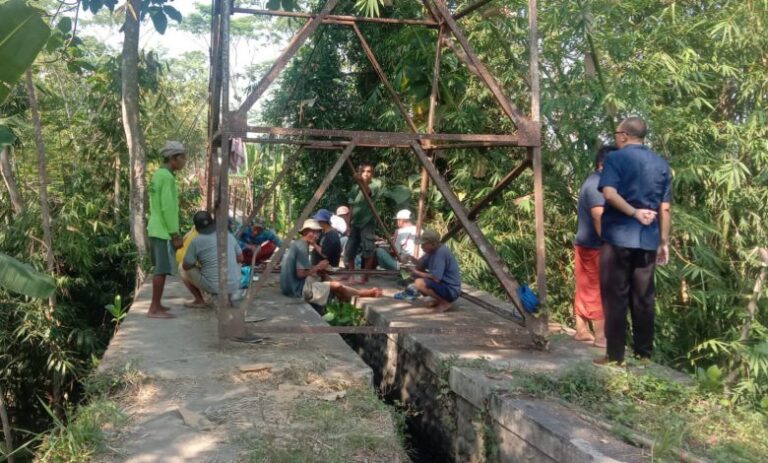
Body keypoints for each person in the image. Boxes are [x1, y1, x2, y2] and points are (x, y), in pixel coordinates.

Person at [596, 116, 672, 365]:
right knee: (644, 297)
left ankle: (615, 356)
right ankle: (644, 355)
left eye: (617, 133)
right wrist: (664, 241)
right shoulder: (661, 164)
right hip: (648, 240)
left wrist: (633, 212)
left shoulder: (615, 159)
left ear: (624, 136)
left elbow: (609, 193)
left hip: (618, 237)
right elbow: (666, 208)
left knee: (615, 296)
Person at [573, 145, 618, 347]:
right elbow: (599, 216)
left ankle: (581, 330)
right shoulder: (598, 184)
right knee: (598, 289)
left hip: (586, 243)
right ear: (604, 165)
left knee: (585, 286)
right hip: (595, 245)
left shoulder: (594, 181)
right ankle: (600, 337)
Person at [281, 219, 383, 306]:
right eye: (314, 232)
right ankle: (364, 293)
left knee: (323, 276)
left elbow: (303, 270)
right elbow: (300, 274)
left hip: (289, 287)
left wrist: (318, 269)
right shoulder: (302, 246)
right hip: (297, 290)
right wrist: (318, 266)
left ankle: (344, 295)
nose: (317, 235)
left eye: (318, 232)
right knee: (336, 286)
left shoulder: (299, 244)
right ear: (306, 232)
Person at [146, 141, 187, 319]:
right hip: (162, 230)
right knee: (161, 270)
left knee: (160, 269)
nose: (184, 161)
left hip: (154, 227)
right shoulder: (167, 177)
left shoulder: (158, 175)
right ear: (173, 158)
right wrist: (175, 234)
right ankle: (153, 309)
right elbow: (168, 208)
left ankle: (158, 304)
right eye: (182, 157)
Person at [179, 211, 243, 308]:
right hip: (234, 285)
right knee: (235, 264)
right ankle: (228, 298)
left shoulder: (196, 241)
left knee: (181, 268)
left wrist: (200, 262)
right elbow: (240, 258)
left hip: (214, 286)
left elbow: (186, 265)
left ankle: (199, 300)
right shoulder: (227, 235)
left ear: (196, 227)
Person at [345, 164, 382, 283]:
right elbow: (351, 206)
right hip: (355, 222)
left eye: (369, 171)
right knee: (350, 249)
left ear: (372, 174)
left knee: (368, 249)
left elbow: (368, 193)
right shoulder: (355, 188)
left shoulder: (375, 186)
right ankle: (351, 274)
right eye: (364, 171)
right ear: (360, 172)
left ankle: (364, 277)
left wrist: (361, 181)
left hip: (367, 222)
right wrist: (347, 224)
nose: (366, 173)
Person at [410, 229, 462, 313]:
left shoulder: (440, 253)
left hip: (451, 290)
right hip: (443, 285)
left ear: (433, 244)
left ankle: (444, 303)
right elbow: (420, 265)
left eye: (424, 244)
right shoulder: (430, 251)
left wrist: (416, 272)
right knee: (416, 275)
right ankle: (437, 299)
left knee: (419, 282)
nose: (421, 247)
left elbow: (436, 278)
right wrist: (409, 258)